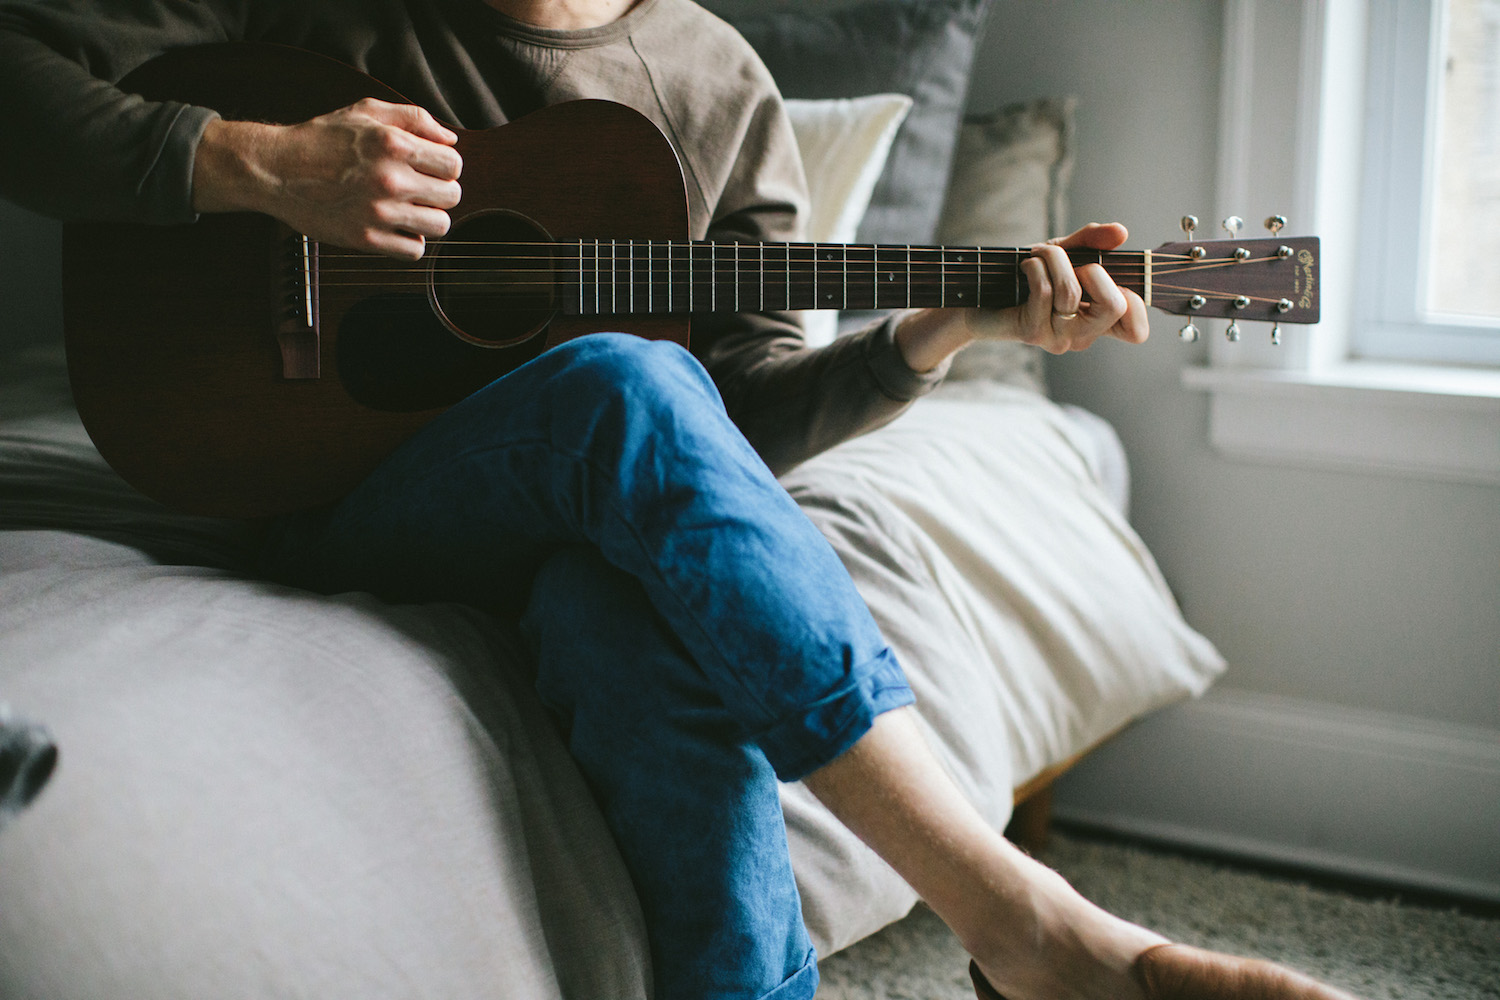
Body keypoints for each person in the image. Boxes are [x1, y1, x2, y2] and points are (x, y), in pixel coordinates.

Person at [0, 2, 1361, 1000]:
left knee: (635, 615)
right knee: (624, 381)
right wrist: (255, 163)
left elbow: (732, 428)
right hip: (327, 492)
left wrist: (931, 337)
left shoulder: (719, 84)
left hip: (583, 519)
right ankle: (1021, 921)